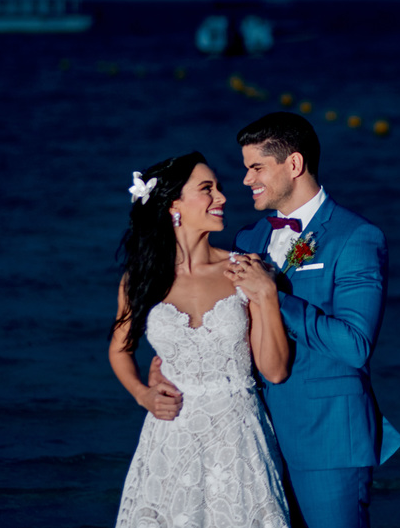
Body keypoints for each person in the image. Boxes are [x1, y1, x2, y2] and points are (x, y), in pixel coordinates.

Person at [151, 113, 400, 528]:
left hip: (326, 438)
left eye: (256, 167)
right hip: (249, 437)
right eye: (246, 168)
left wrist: (275, 297)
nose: (246, 180)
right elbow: (221, 317)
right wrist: (169, 360)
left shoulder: (356, 237)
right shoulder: (250, 238)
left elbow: (354, 345)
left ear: (294, 165)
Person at [109, 150, 292, 528]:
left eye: (219, 188)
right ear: (174, 204)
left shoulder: (244, 269)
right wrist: (143, 394)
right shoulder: (141, 278)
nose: (222, 198)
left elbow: (273, 370)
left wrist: (267, 295)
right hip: (170, 438)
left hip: (237, 437)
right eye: (207, 189)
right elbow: (119, 349)